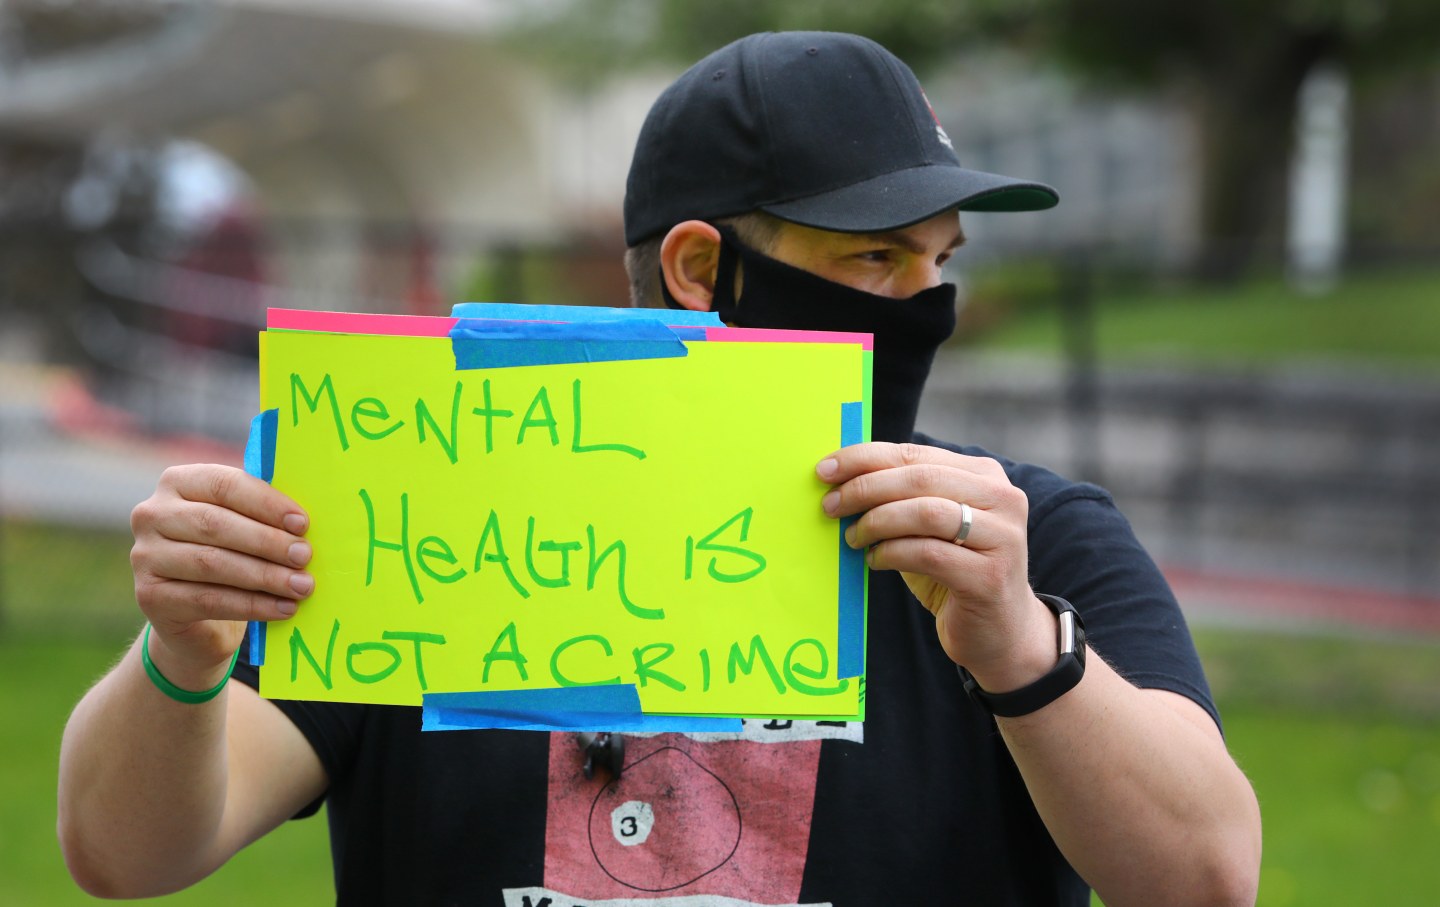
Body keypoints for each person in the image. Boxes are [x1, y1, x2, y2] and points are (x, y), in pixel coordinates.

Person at [58, 31, 1261, 906]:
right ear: (700, 268)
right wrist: (184, 650)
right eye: (878, 258)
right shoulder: (434, 511)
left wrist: (1019, 647)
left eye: (942, 259)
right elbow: (125, 853)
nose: (928, 302)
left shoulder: (1030, 539)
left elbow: (1206, 876)